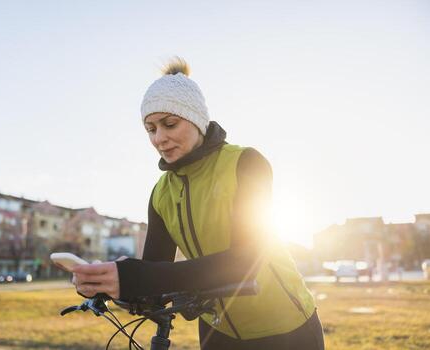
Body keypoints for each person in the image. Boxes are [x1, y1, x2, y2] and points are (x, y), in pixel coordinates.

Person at [72, 57, 325, 350]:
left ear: (196, 119)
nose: (159, 138)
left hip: (285, 328)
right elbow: (156, 277)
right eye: (151, 129)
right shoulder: (161, 194)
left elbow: (245, 261)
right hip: (218, 333)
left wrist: (137, 276)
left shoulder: (245, 163)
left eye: (169, 124)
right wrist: (108, 282)